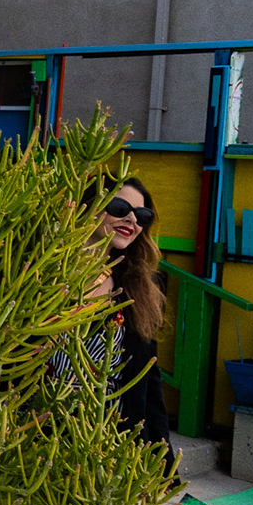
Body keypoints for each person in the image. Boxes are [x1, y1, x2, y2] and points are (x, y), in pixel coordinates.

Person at [51, 177, 171, 449]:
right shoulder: (45, 274)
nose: (131, 220)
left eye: (142, 216)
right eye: (118, 207)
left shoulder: (141, 288)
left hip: (108, 436)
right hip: (38, 423)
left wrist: (160, 460)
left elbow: (148, 379)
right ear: (88, 207)